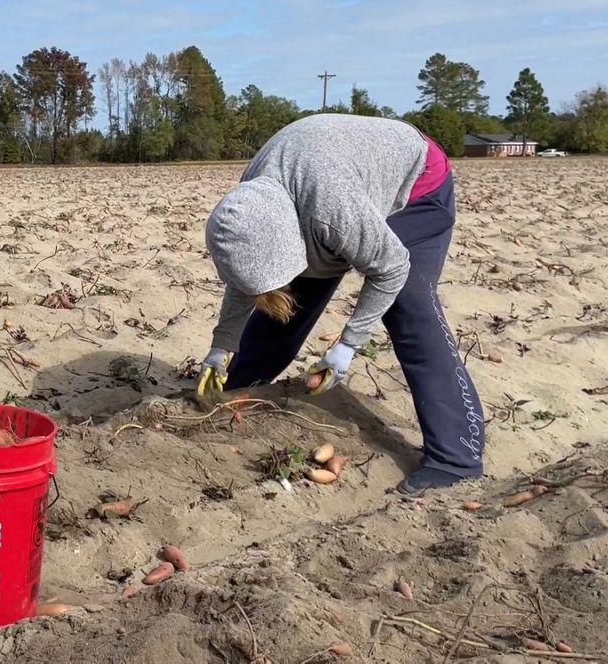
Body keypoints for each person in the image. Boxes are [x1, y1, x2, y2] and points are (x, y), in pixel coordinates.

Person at [199, 113, 485, 497]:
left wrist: (347, 346)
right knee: (286, 299)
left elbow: (390, 267)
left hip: (415, 186)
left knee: (408, 306)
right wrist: (223, 345)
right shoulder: (252, 206)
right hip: (337, 184)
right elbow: (247, 274)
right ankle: (238, 386)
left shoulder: (329, 211)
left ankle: (456, 457)